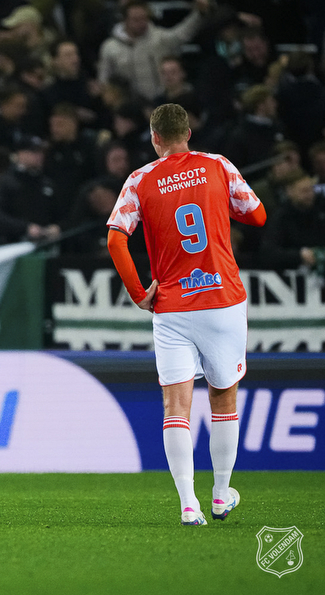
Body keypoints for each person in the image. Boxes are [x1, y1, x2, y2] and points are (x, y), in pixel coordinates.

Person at [106, 103, 267, 526]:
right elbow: (258, 215)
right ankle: (221, 494)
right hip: (222, 300)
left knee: (175, 405)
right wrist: (217, 206)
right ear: (189, 133)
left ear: (155, 138)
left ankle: (187, 504)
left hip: (173, 306)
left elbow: (116, 240)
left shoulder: (140, 179)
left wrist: (139, 293)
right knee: (223, 397)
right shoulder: (218, 166)